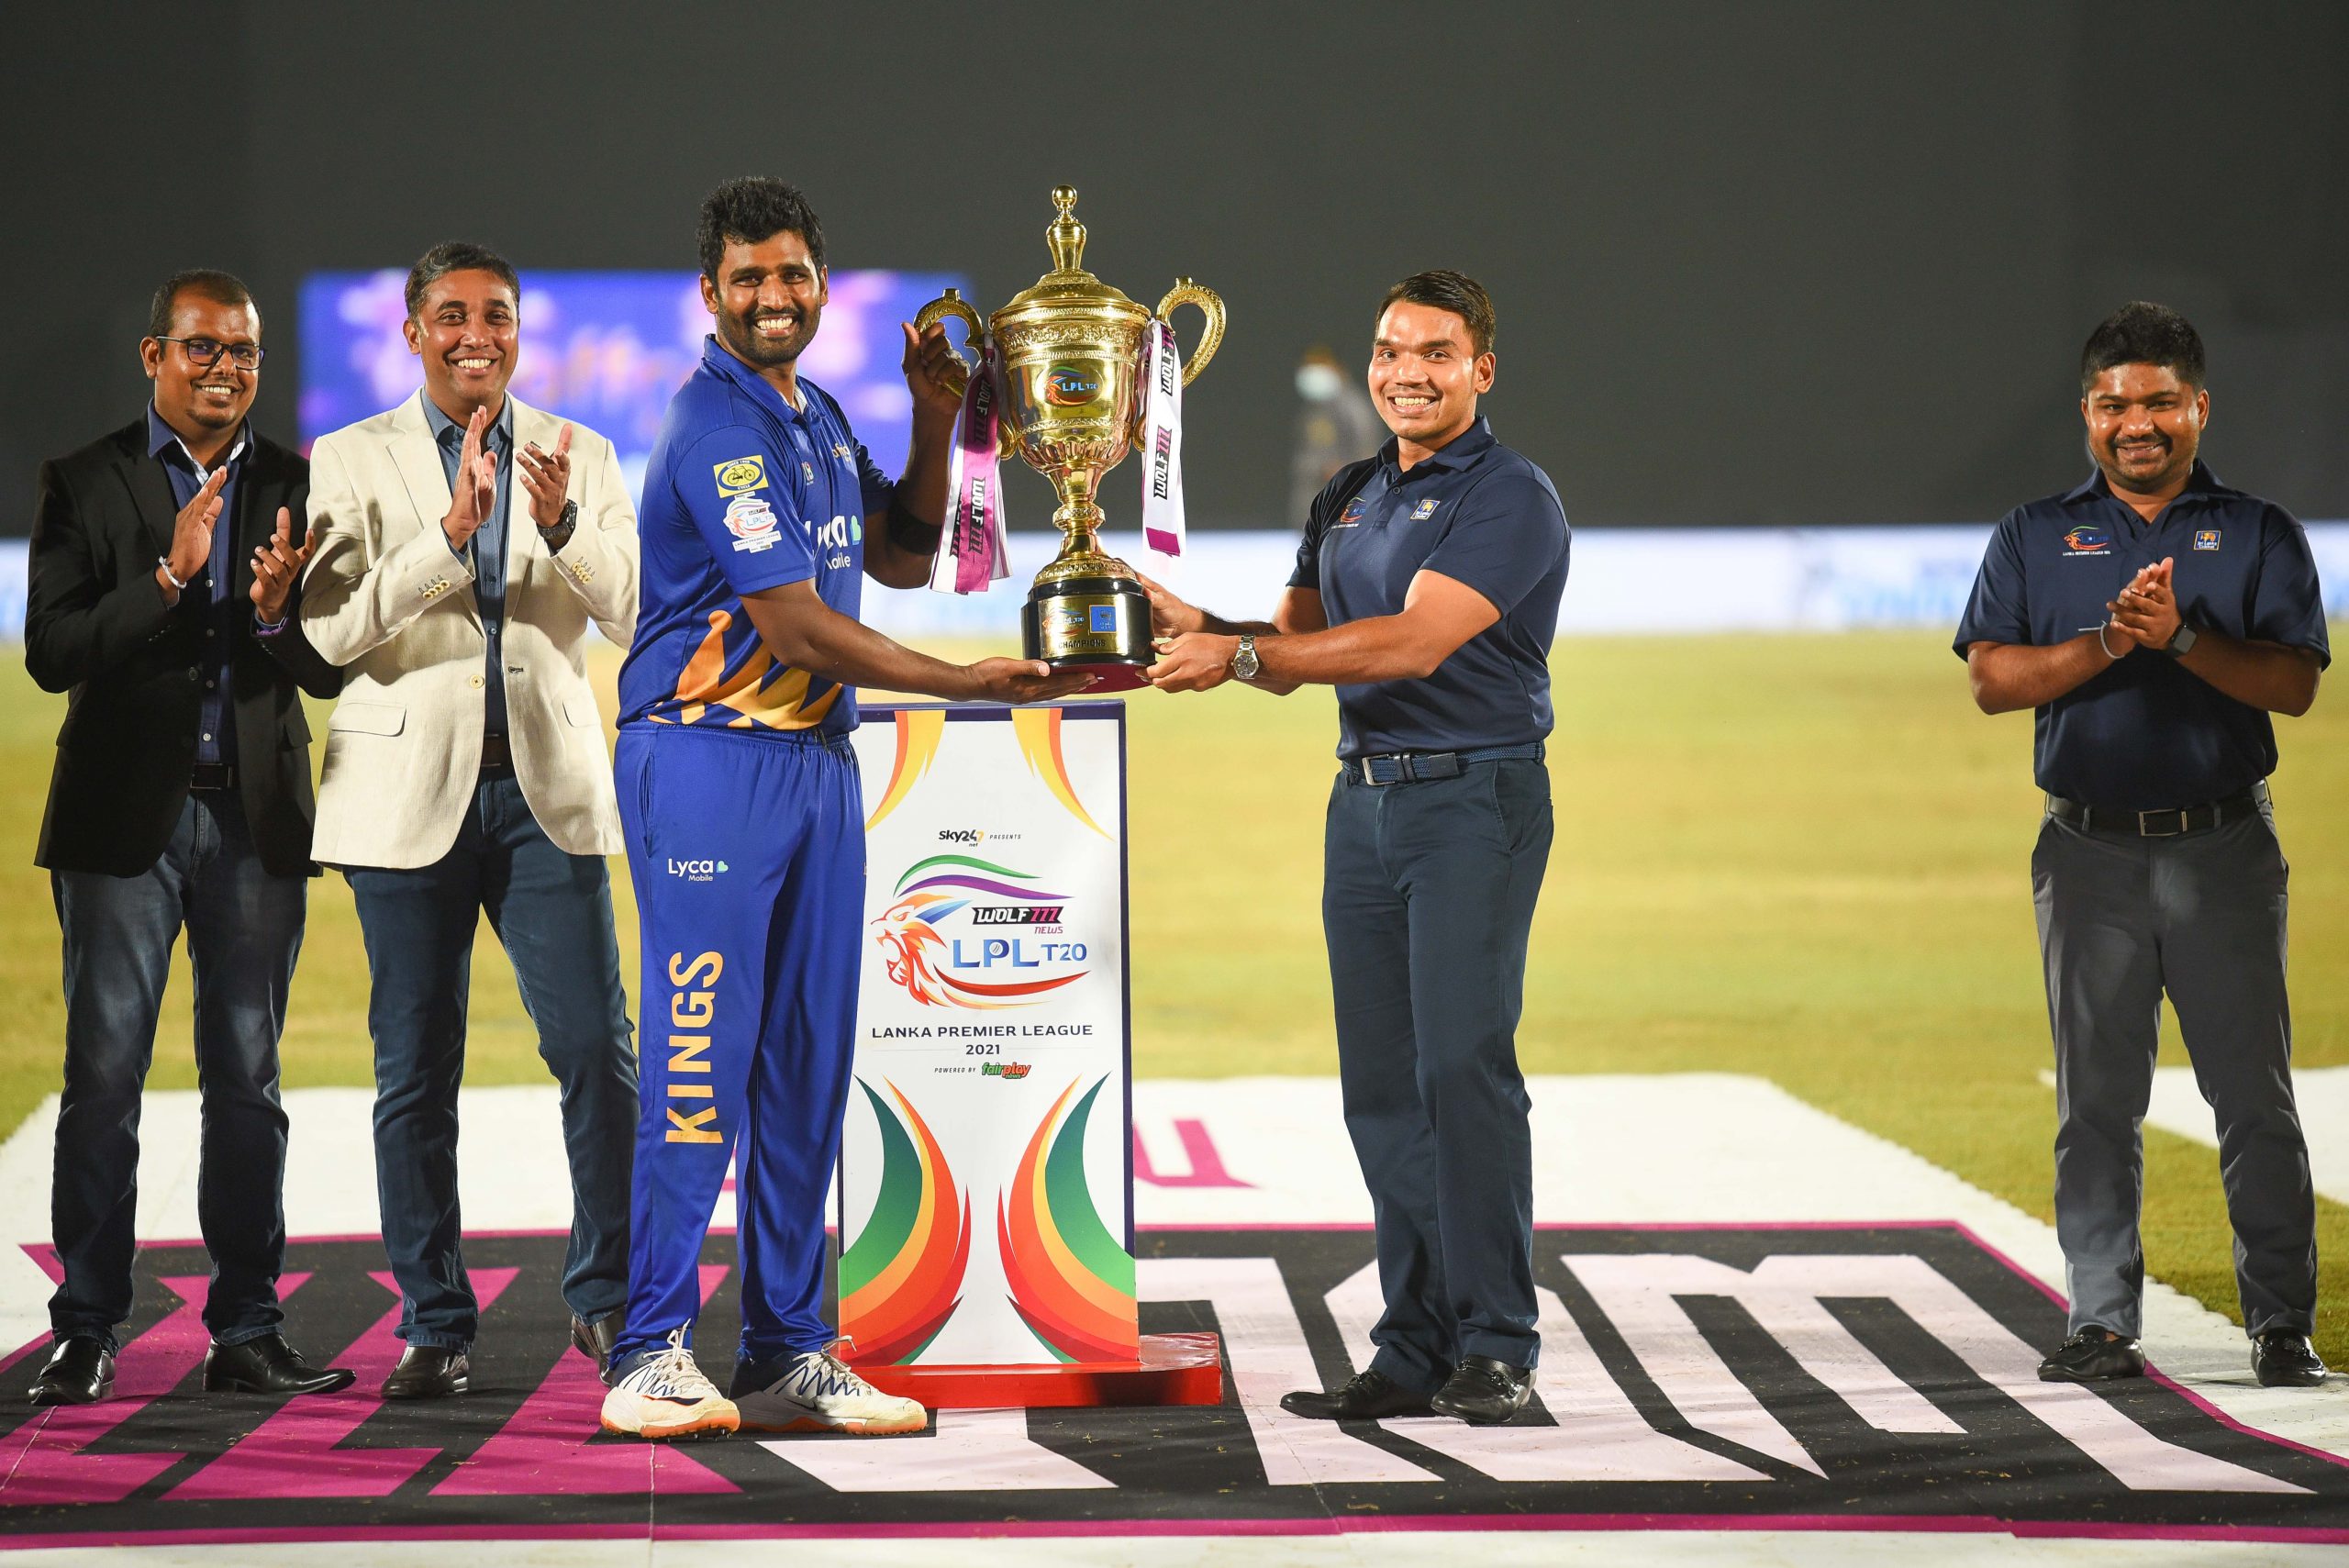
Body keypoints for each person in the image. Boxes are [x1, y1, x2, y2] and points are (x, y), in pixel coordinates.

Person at [596, 177, 1087, 1442]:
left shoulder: (809, 413)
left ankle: (788, 1345)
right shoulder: (715, 426)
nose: (773, 296)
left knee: (807, 1064)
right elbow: (798, 626)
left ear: (821, 283)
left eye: (792, 274)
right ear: (709, 293)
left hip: (815, 763)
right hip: (707, 760)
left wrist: (932, 420)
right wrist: (963, 682)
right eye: (748, 277)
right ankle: (649, 1348)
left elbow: (902, 555)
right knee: (701, 1059)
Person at [1148, 271, 1568, 1425]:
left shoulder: (1510, 493)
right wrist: (1192, 622)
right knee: (1382, 1088)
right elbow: (1295, 643)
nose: (1405, 373)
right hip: (1365, 805)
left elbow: (1412, 643)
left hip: (1471, 799)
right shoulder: (1349, 489)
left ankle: (1497, 1342)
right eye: (1390, 350)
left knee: (1461, 1071)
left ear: (1481, 368)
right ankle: (1414, 1346)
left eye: (1435, 353)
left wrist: (1240, 658)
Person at [1958, 302, 2329, 1389]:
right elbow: (1991, 679)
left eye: (2160, 401)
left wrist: (2181, 638)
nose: (2137, 423)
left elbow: (2293, 683)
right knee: (2095, 1103)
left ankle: (2281, 1323)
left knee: (2252, 1099)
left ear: (2198, 406)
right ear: (2086, 413)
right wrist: (2113, 640)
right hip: (2086, 853)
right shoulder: (2033, 533)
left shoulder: (2257, 531)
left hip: (2223, 848)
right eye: (2115, 404)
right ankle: (2101, 1319)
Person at [298, 241, 641, 1399]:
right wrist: (446, 538)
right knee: (414, 1069)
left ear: (518, 330)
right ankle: (434, 1320)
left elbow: (635, 610)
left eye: (496, 314)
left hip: (548, 795)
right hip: (404, 798)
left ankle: (608, 1300)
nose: (475, 336)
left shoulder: (582, 451)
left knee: (596, 1052)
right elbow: (331, 634)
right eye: (451, 315)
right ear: (413, 332)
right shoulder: (349, 456)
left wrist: (563, 523)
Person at [23, 270, 349, 1405]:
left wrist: (273, 614)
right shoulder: (85, 478)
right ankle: (85, 1325)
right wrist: (169, 577)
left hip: (254, 822)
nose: (226, 368)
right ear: (153, 354)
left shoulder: (299, 485)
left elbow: (328, 666)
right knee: (104, 1077)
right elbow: (51, 650)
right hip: (122, 824)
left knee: (248, 1080)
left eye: (244, 351)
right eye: (204, 347)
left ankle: (246, 1327)